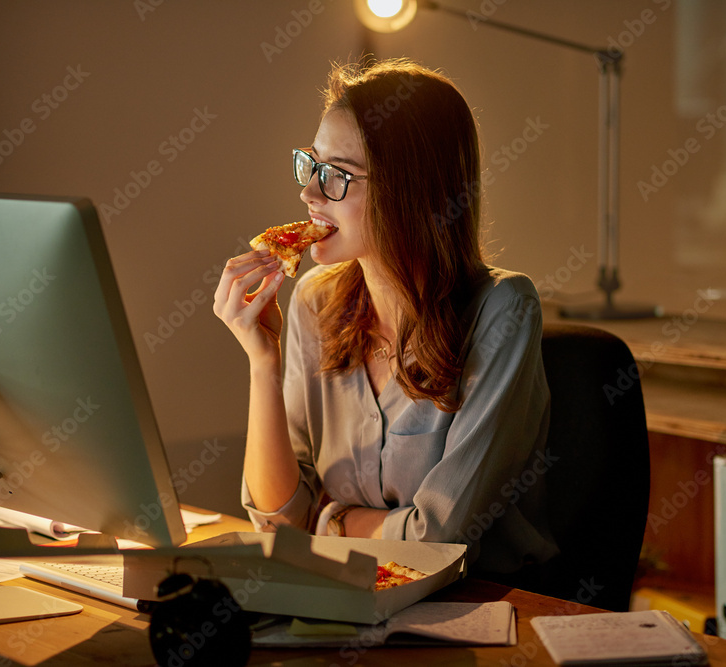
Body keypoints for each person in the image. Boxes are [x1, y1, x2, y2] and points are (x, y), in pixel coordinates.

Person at [213, 58, 558, 580]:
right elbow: (279, 524)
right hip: (351, 598)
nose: (308, 194)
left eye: (337, 176)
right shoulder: (313, 303)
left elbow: (436, 540)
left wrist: (326, 522)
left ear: (410, 189)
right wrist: (262, 363)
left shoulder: (504, 310)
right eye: (311, 164)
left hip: (481, 613)